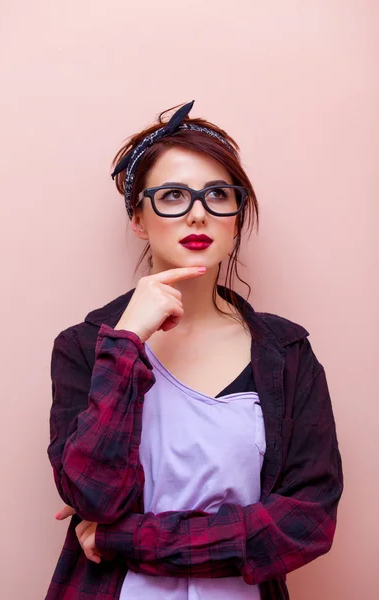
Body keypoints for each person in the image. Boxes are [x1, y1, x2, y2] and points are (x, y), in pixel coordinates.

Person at [45, 101, 343, 600]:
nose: (198, 213)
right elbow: (93, 494)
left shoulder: (287, 353)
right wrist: (126, 344)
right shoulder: (85, 346)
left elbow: (305, 524)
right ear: (138, 218)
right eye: (173, 196)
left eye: (218, 195)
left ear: (235, 216)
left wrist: (128, 537)